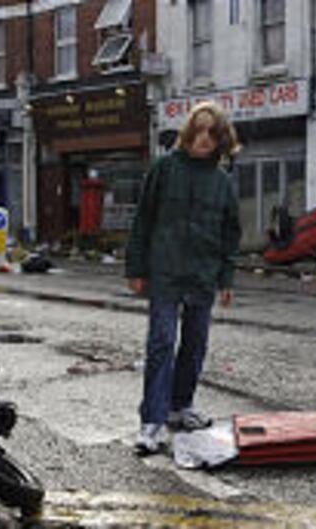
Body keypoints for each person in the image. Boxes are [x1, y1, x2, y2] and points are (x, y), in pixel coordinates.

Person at [125, 101, 241, 455]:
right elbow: (143, 219)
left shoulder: (222, 182)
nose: (204, 138)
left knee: (195, 345)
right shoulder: (164, 168)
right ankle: (152, 422)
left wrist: (226, 279)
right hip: (165, 273)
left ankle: (180, 407)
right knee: (161, 343)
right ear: (188, 132)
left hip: (202, 276)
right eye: (199, 130)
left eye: (212, 133)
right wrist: (136, 268)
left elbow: (229, 233)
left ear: (221, 140)